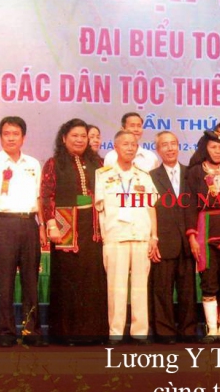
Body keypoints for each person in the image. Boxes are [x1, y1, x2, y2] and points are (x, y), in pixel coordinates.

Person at [41, 118, 108, 345]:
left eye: (83, 136)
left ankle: (94, 334)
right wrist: (51, 224)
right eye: (75, 136)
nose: (80, 140)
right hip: (65, 226)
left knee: (92, 278)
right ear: (64, 138)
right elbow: (47, 195)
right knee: (68, 279)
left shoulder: (98, 162)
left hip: (93, 228)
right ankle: (67, 334)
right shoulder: (54, 163)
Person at [95, 130, 158, 345]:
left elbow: (151, 207)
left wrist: (154, 236)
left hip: (141, 235)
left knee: (140, 288)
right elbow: (98, 209)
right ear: (115, 147)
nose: (130, 148)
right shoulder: (102, 175)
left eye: (133, 144)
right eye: (125, 144)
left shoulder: (144, 175)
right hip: (115, 237)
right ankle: (115, 332)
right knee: (116, 288)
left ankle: (140, 332)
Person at [0, 116, 48, 347]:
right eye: (6, 134)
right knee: (5, 282)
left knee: (30, 281)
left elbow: (38, 198)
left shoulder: (33, 163)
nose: (11, 138)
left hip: (29, 224)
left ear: (23, 137)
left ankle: (30, 331)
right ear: (0, 137)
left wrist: (41, 226)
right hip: (2, 224)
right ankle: (6, 332)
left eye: (15, 134)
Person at [186, 131, 220, 343]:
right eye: (213, 147)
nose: (217, 151)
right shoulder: (194, 173)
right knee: (208, 282)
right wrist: (192, 236)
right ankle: (212, 329)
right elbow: (190, 205)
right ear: (205, 148)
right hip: (205, 230)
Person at [149, 131, 197, 344]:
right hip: (164, 241)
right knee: (162, 290)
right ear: (158, 150)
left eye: (173, 144)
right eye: (164, 145)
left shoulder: (191, 174)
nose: (170, 148)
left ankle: (188, 330)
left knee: (188, 291)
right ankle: (165, 331)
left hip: (188, 241)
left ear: (179, 147)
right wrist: (153, 238)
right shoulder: (151, 176)